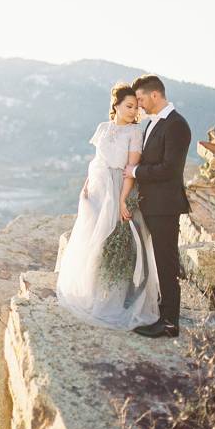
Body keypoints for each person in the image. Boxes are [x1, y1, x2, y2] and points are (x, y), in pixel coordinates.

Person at [56, 83, 161, 330]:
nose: (133, 111)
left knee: (119, 243)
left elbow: (130, 171)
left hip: (119, 188)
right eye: (128, 106)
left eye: (136, 107)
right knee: (94, 238)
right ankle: (93, 293)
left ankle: (117, 300)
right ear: (116, 106)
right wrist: (86, 185)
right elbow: (97, 160)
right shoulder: (103, 128)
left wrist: (124, 199)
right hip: (98, 189)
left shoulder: (135, 132)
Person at [123, 74, 191, 338]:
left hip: (165, 206)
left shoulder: (176, 125)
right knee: (153, 261)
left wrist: (136, 171)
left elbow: (169, 169)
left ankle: (170, 323)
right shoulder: (154, 123)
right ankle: (158, 312)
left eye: (140, 99)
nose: (138, 104)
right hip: (150, 205)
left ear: (155, 95)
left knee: (166, 263)